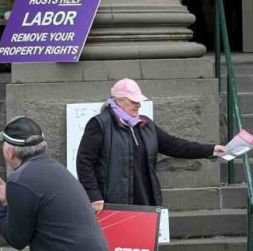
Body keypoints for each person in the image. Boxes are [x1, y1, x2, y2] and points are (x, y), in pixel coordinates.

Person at [0, 117, 110, 251]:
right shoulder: (56, 168)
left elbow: (16, 239)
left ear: (10, 152)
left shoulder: (20, 180)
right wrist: (7, 200)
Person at [76, 78, 225, 210]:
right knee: (118, 242)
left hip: (146, 201)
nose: (138, 105)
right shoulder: (100, 124)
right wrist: (94, 195)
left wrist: (210, 150)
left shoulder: (146, 124)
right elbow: (84, 161)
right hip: (113, 202)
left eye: (138, 101)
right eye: (133, 101)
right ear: (119, 100)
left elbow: (174, 145)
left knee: (142, 242)